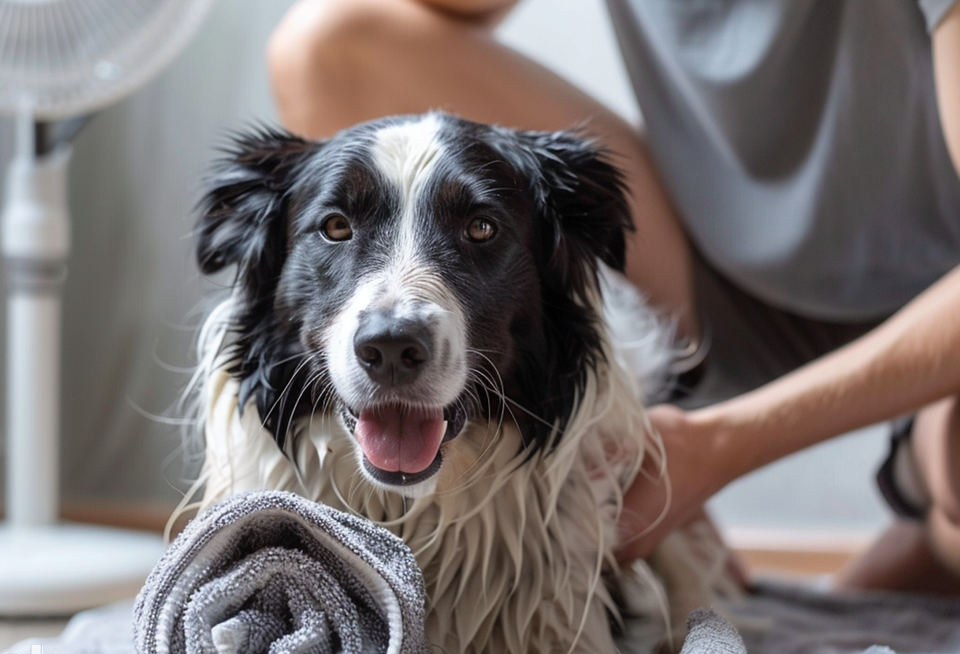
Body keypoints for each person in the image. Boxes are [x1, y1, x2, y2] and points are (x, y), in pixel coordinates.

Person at [265, 0, 960, 595]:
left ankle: (920, 523)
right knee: (331, 47)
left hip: (940, 298)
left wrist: (714, 448)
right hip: (712, 279)